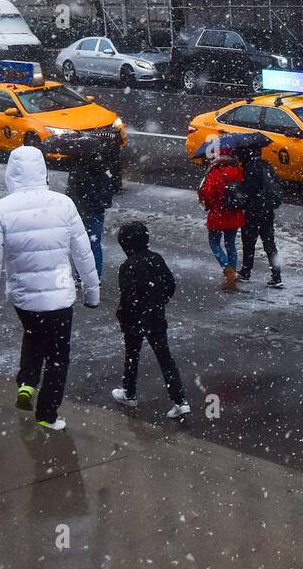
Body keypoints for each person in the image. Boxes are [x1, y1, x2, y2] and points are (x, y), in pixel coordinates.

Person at [0, 143, 99, 432]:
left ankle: (28, 383)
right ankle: (47, 412)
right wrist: (92, 294)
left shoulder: (1, 209)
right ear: (43, 171)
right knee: (59, 355)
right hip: (60, 297)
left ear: (11, 174)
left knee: (33, 336)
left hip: (24, 298)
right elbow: (83, 253)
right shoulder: (64, 204)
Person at [110, 220, 190, 418]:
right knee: (165, 358)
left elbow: (127, 297)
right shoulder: (157, 259)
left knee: (131, 356)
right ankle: (180, 400)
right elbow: (170, 285)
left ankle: (129, 392)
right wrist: (159, 300)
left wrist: (123, 315)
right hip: (155, 316)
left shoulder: (128, 266)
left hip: (135, 320)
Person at [64, 135, 122, 278]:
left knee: (80, 246)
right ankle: (94, 276)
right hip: (95, 212)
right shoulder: (101, 167)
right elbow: (107, 191)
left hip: (81, 212)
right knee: (94, 245)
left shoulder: (80, 169)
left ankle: (82, 275)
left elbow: (74, 192)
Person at [234, 142, 282, 287]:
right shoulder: (266, 166)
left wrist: (239, 191)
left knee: (249, 242)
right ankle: (276, 275)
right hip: (267, 210)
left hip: (253, 212)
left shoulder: (250, 169)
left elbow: (248, 192)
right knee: (269, 243)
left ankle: (246, 270)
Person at [197, 145, 244, 291]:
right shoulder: (238, 170)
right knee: (230, 244)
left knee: (214, 242)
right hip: (234, 214)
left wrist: (209, 205)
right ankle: (233, 272)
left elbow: (207, 193)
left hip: (218, 214)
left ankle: (227, 270)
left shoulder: (215, 172)